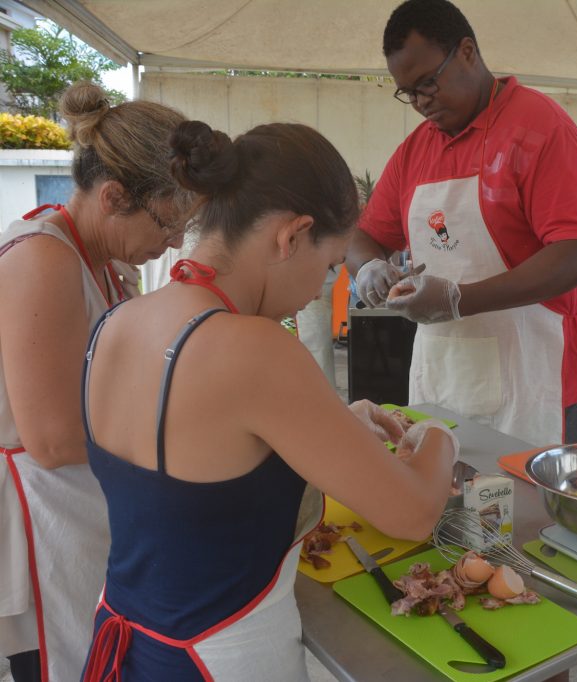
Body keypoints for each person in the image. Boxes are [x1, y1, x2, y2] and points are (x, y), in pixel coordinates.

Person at [79, 120, 458, 681]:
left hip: (126, 640)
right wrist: (438, 437)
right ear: (291, 235)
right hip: (221, 657)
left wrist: (338, 426)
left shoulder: (118, 319)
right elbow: (413, 513)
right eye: (330, 265)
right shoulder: (255, 349)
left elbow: (194, 472)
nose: (319, 288)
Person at [347, 0, 577, 446]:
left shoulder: (540, 129)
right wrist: (367, 267)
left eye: (428, 82)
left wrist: (459, 300)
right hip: (444, 375)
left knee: (532, 510)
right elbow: (363, 236)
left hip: (537, 377)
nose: (421, 102)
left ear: (467, 51)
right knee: (448, 505)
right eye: (408, 92)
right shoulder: (415, 152)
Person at [0, 81, 191, 682]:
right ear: (113, 197)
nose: (177, 240)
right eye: (168, 222)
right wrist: (183, 438)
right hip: (38, 520)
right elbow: (53, 438)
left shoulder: (102, 263)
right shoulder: (42, 259)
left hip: (75, 514)